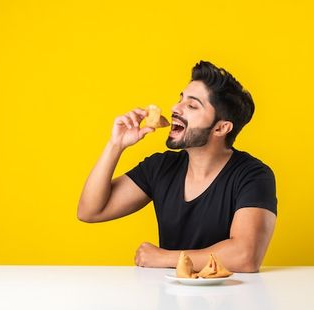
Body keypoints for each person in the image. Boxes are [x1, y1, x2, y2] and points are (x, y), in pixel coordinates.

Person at [77, 60, 277, 273]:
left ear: (220, 128)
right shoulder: (161, 167)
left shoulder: (253, 175)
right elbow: (90, 211)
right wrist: (116, 145)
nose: (175, 108)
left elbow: (245, 256)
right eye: (180, 99)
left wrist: (164, 257)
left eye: (191, 106)